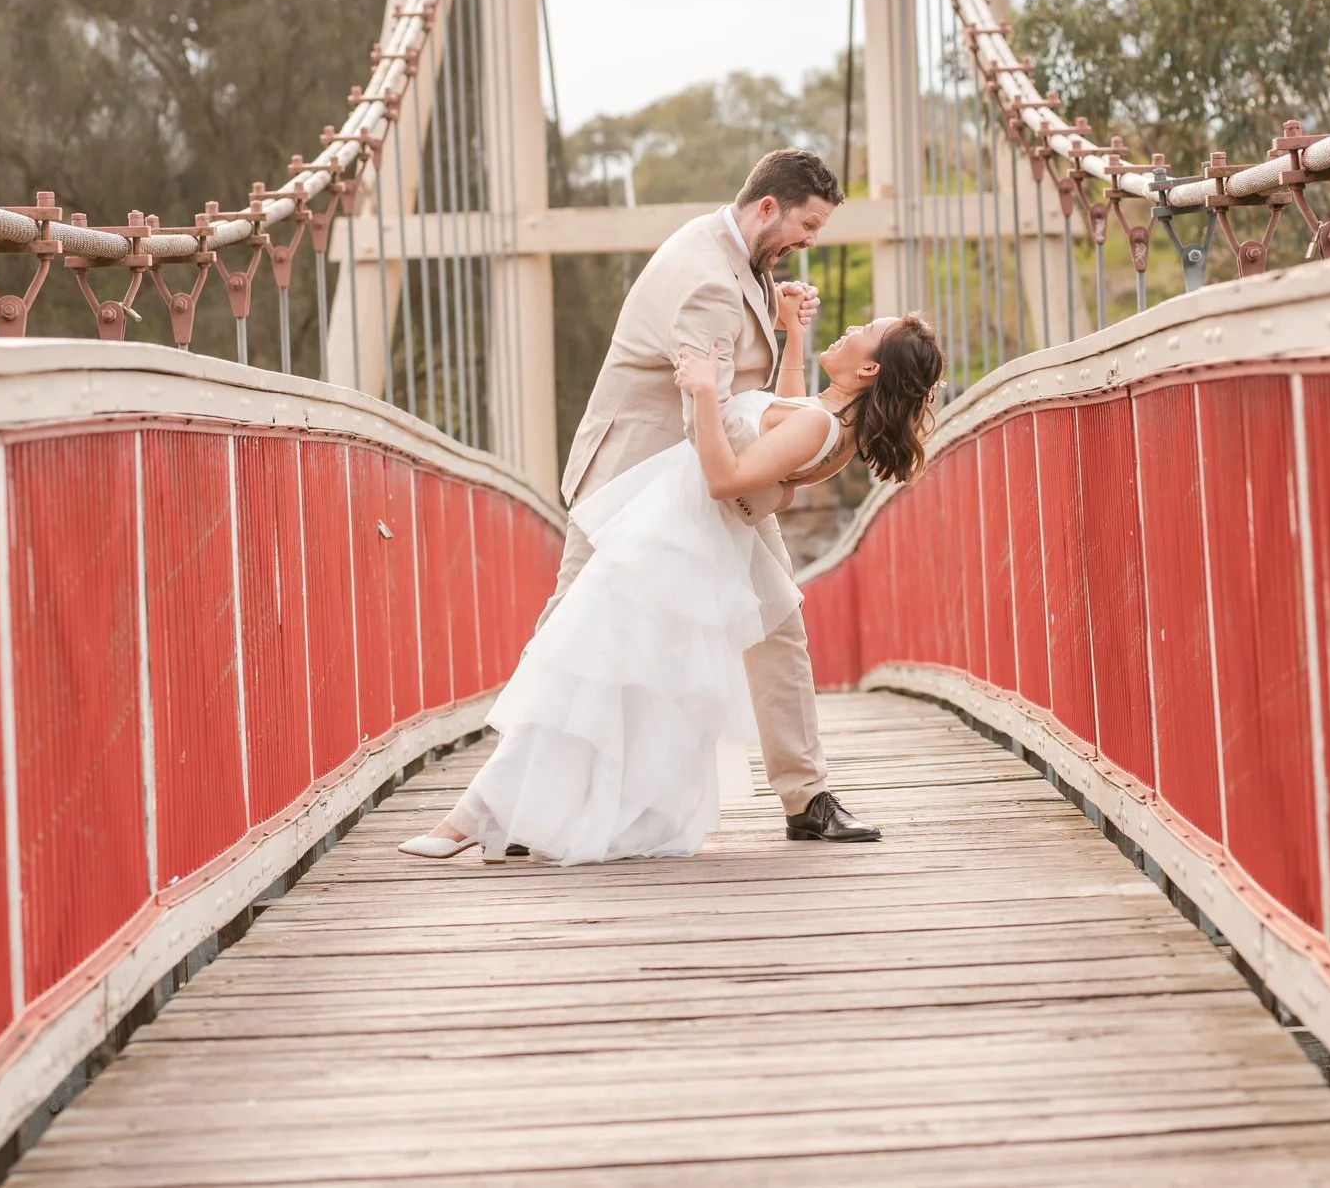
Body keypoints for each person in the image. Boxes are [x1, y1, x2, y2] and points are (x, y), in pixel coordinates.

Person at [397, 148, 947, 864]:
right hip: (648, 483)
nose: (810, 243)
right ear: (769, 208)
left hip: (714, 485)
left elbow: (775, 410)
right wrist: (778, 486)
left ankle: (805, 796)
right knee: (574, 640)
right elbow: (711, 423)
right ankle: (515, 804)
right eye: (807, 226)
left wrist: (786, 342)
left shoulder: (744, 258)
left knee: (775, 625)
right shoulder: (707, 281)